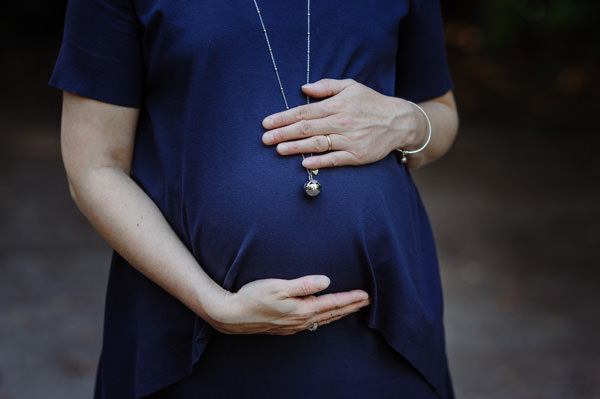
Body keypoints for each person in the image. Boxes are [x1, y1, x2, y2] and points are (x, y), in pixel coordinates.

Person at [51, 0, 459, 398]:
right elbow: (95, 166)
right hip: (186, 340)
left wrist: (404, 121)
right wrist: (213, 304)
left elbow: (440, 114)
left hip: (383, 331)